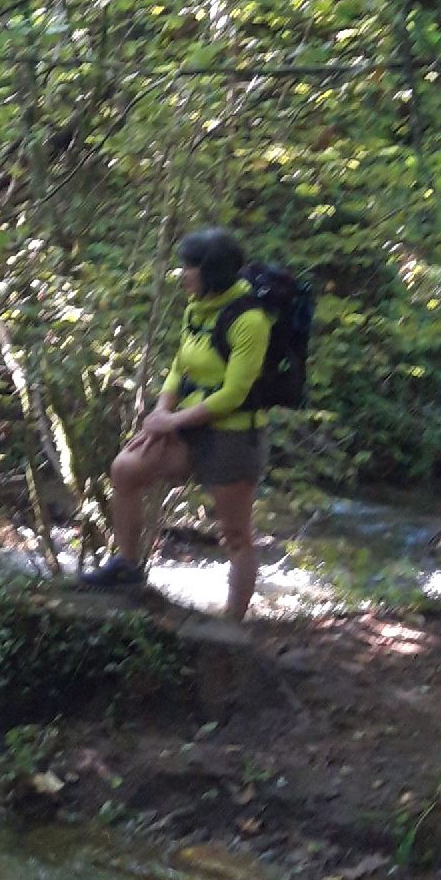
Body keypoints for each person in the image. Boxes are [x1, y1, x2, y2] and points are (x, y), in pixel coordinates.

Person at [80, 227, 272, 619]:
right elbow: (179, 368)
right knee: (125, 469)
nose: (182, 274)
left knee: (235, 535)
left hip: (234, 438)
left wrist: (170, 422)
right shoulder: (195, 308)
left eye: (190, 267)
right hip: (188, 426)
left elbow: (234, 394)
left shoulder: (250, 320)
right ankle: (127, 567)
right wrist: (161, 412)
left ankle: (232, 626)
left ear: (212, 272)